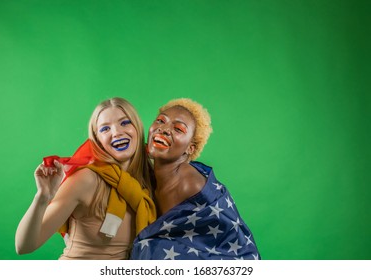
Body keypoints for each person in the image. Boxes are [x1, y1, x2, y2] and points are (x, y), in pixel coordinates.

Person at [15, 97, 156, 260]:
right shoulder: (87, 178)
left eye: (125, 123)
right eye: (105, 129)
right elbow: (24, 246)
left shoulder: (150, 180)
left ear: (137, 127)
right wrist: (42, 197)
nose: (116, 132)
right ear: (98, 140)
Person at [131, 98, 260, 260]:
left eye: (178, 129)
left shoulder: (185, 182)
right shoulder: (154, 174)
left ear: (190, 148)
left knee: (153, 248)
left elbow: (162, 237)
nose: (163, 129)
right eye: (160, 121)